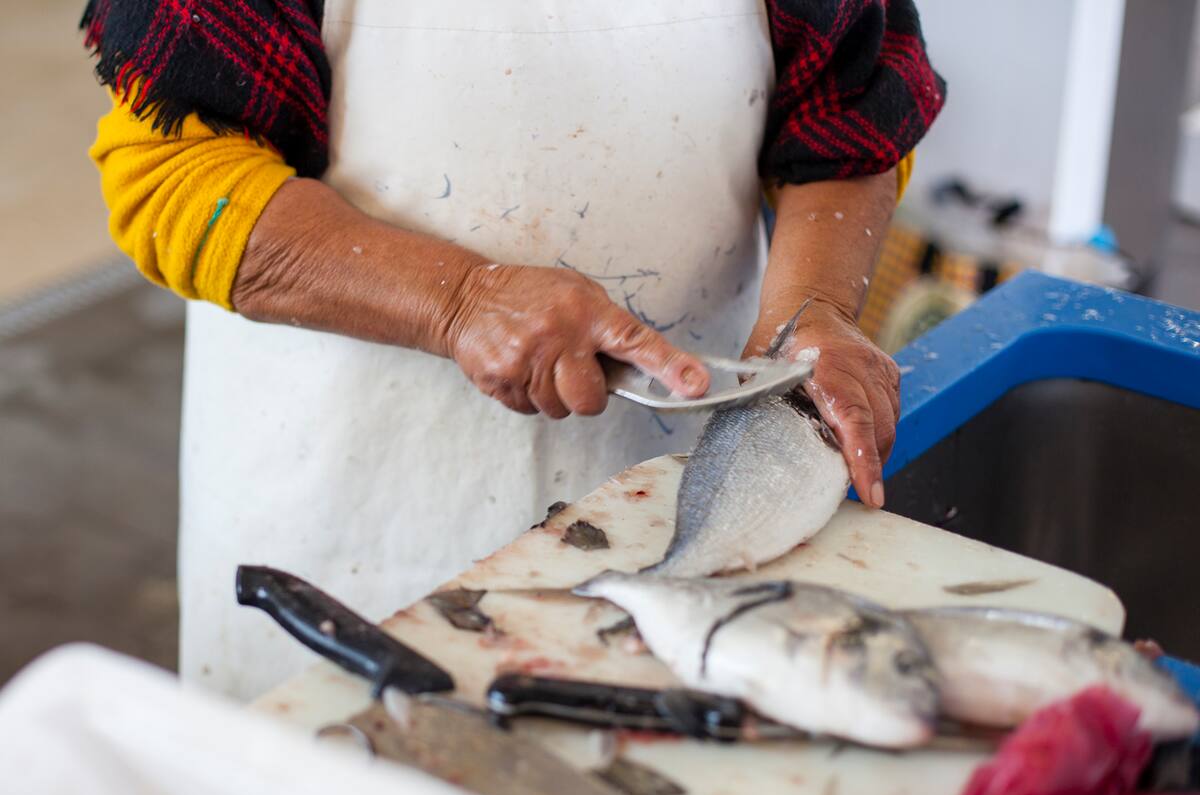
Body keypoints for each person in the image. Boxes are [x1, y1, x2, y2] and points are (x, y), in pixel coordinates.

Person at [82, 0, 944, 699]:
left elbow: (849, 113)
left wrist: (814, 309)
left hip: (673, 497)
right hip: (343, 527)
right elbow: (175, 177)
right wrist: (458, 300)